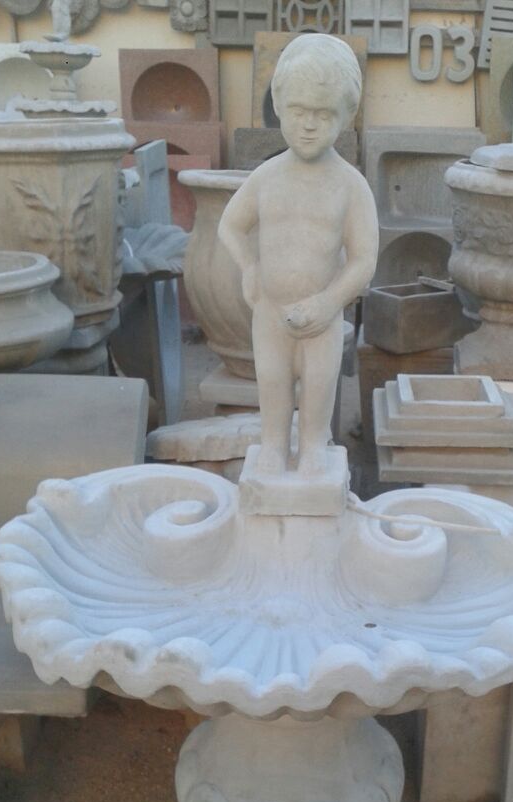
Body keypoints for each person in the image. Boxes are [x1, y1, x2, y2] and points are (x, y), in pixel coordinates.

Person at [219, 34, 378, 476]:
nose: (309, 125)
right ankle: (273, 445)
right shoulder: (267, 177)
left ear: (347, 116)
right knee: (271, 382)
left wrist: (329, 303)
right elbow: (230, 225)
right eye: (298, 111)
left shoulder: (351, 186)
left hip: (322, 318)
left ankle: (312, 447)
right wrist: (249, 267)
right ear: (278, 105)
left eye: (324, 115)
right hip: (270, 312)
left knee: (319, 386)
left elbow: (364, 260)